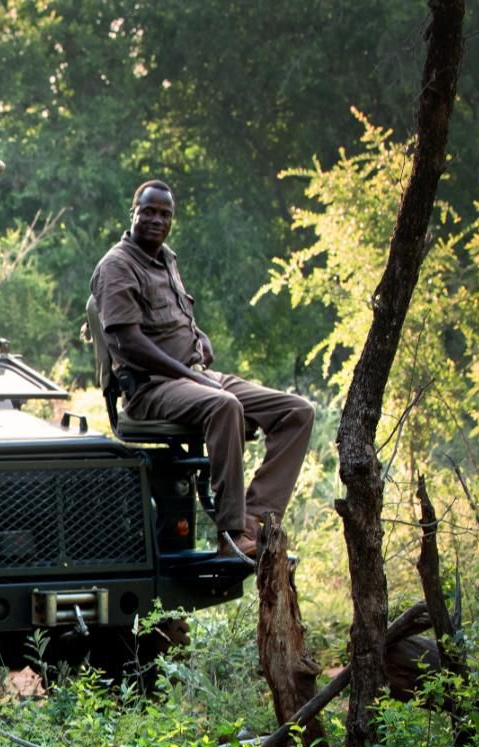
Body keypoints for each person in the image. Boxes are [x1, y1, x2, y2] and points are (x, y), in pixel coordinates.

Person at [90, 181, 314, 563]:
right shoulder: (117, 266)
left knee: (297, 411)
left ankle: (256, 518)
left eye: (165, 214)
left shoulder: (166, 259)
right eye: (149, 211)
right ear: (133, 213)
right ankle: (231, 534)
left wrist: (201, 340)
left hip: (195, 376)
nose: (157, 220)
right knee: (224, 405)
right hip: (151, 389)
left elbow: (173, 319)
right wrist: (189, 374)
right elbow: (129, 342)